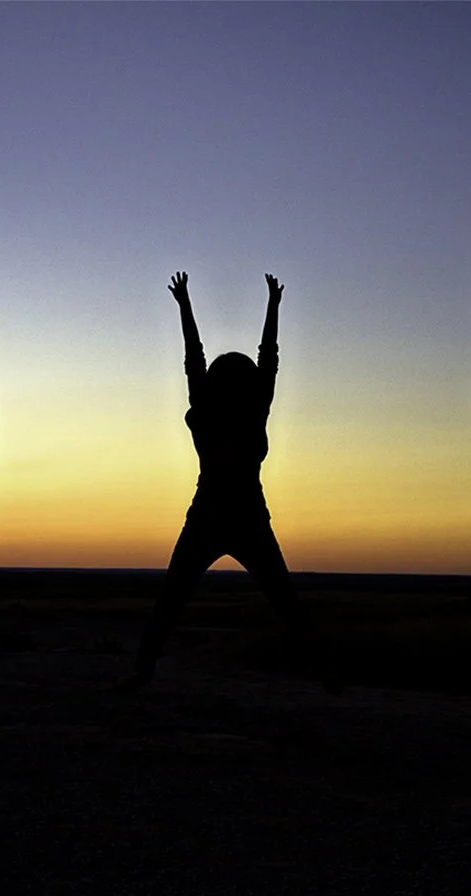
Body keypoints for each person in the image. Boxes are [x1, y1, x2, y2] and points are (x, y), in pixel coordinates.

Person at [125, 271, 341, 694]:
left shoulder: (211, 407)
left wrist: (186, 304)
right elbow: (263, 359)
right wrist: (272, 305)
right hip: (235, 518)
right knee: (281, 601)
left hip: (221, 517)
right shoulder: (250, 408)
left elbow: (201, 358)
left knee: (174, 601)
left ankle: (140, 675)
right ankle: (326, 675)